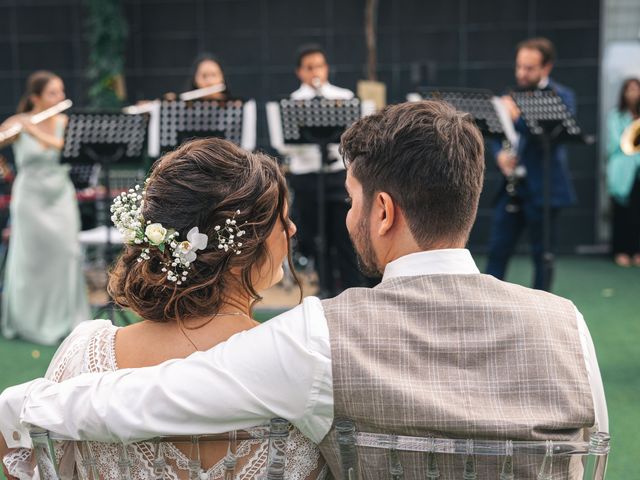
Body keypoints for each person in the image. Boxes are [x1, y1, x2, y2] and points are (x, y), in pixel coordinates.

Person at [0, 101, 607, 478]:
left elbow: (145, 398)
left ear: (385, 212)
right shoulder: (567, 325)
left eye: (351, 200)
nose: (340, 219)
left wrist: (20, 406)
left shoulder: (320, 339)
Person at [2, 138, 327, 479]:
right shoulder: (302, 359)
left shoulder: (84, 355)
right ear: (238, 253)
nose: (292, 230)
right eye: (282, 221)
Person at [0, 71, 89, 346]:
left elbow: (67, 149)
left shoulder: (64, 122)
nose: (59, 97)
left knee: (66, 253)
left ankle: (67, 320)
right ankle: (29, 322)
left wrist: (34, 130)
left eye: (61, 91)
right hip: (29, 199)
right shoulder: (18, 122)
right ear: (36, 97)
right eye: (53, 93)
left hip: (60, 196)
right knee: (31, 259)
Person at [485, 37, 577, 291]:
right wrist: (498, 156)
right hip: (510, 187)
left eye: (529, 68)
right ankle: (486, 309)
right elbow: (497, 134)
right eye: (519, 66)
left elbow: (551, 136)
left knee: (543, 256)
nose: (522, 73)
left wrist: (517, 116)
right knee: (497, 252)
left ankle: (543, 313)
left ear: (546, 68)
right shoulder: (509, 96)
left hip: (543, 189)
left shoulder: (563, 96)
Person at [285, 44, 372, 296]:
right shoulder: (292, 103)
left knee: (344, 236)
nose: (316, 72)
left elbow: (356, 140)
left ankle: (352, 290)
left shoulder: (343, 97)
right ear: (299, 72)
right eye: (310, 68)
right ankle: (324, 288)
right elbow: (287, 145)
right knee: (315, 238)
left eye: (320, 66)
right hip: (307, 177)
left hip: (337, 176)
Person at [606, 78, 640, 267]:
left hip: (638, 170)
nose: (633, 94)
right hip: (622, 170)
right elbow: (615, 143)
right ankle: (621, 251)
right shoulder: (616, 116)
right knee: (622, 212)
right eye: (630, 90)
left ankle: (637, 251)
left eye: (636, 90)